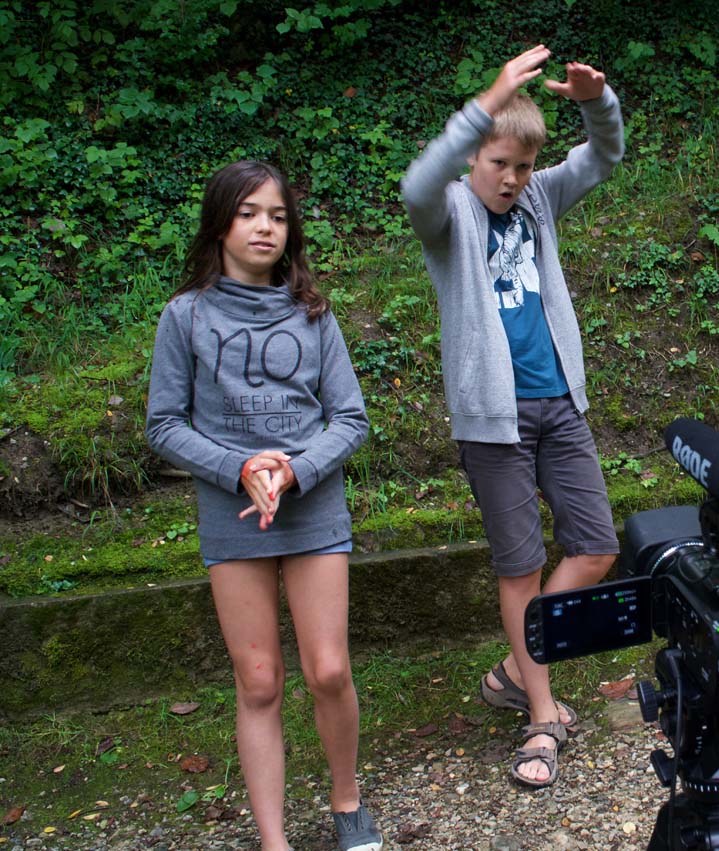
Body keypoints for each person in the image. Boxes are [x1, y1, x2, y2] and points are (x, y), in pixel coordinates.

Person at [400, 45, 624, 788]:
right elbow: (416, 184)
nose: (511, 178)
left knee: (596, 546)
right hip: (492, 419)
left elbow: (603, 156)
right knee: (521, 566)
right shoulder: (449, 215)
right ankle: (541, 713)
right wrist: (488, 102)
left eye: (523, 167)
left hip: (560, 404)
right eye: (498, 163)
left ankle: (514, 666)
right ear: (474, 156)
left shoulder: (537, 200)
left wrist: (596, 102)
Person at [146, 161, 381, 851]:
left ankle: (346, 801)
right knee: (257, 681)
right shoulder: (185, 316)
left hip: (312, 508)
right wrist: (240, 466)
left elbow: (351, 418)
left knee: (328, 669)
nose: (264, 227)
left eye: (277, 215)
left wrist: (296, 468)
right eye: (249, 213)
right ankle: (273, 840)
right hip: (232, 513)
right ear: (220, 224)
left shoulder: (314, 314)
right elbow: (164, 424)